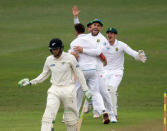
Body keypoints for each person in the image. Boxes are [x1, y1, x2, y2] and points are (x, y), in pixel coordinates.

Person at [18, 38, 92, 131]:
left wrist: (86, 89)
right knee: (48, 116)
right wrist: (30, 82)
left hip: (68, 89)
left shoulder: (70, 58)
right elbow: (44, 74)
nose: (54, 51)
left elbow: (79, 73)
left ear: (61, 48)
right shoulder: (49, 60)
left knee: (70, 119)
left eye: (56, 49)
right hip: (54, 90)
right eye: (52, 49)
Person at [73, 19, 117, 123]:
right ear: (90, 27)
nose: (96, 27)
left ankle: (111, 114)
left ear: (101, 28)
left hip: (99, 70)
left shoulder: (102, 39)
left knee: (103, 92)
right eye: (94, 25)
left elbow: (98, 52)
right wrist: (76, 18)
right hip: (89, 69)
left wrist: (83, 50)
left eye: (98, 25)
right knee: (89, 92)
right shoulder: (87, 38)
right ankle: (99, 111)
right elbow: (78, 32)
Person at [103, 27, 147, 120]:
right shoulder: (103, 43)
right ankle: (109, 112)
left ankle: (114, 115)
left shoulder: (121, 45)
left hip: (117, 71)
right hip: (105, 72)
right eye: (108, 33)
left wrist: (138, 56)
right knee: (106, 92)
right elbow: (95, 52)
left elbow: (131, 52)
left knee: (111, 88)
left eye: (112, 33)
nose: (109, 35)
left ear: (115, 35)